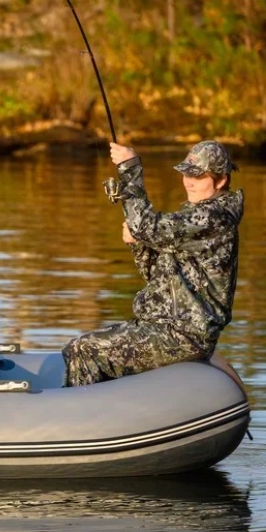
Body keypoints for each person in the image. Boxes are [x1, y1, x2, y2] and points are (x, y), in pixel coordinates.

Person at [63, 139, 244, 387]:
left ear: (220, 180)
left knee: (84, 349)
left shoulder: (211, 218)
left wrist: (129, 167)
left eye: (198, 177)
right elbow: (156, 275)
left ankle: (82, 419)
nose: (189, 182)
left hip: (183, 336)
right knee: (77, 347)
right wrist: (138, 244)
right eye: (186, 174)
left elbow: (145, 225)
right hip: (162, 327)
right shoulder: (193, 217)